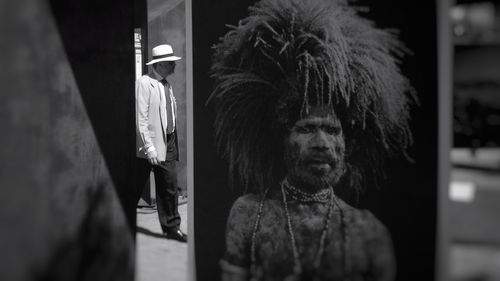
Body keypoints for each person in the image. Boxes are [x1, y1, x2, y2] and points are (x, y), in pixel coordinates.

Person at [209, 0, 417, 280]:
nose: (322, 143)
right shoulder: (248, 215)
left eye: (332, 130)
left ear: (349, 143)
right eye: (306, 129)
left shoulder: (368, 233)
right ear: (282, 139)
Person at [135, 44, 187, 242]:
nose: (174, 65)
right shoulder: (144, 83)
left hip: (169, 142)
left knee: (170, 186)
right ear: (162, 64)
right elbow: (141, 118)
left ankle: (172, 227)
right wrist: (149, 147)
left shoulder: (166, 84)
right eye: (171, 62)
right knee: (134, 185)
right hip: (149, 144)